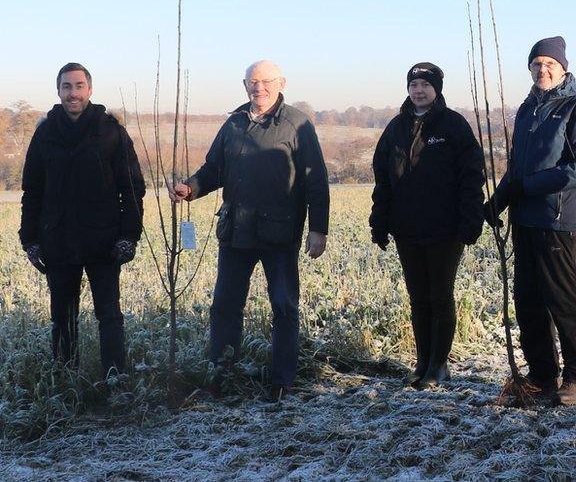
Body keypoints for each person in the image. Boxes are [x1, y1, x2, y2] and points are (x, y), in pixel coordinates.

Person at [170, 60, 330, 402]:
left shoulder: (297, 125)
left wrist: (318, 229)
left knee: (284, 306)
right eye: (252, 82)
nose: (259, 87)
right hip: (235, 232)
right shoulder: (234, 123)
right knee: (224, 307)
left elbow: (315, 180)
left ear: (281, 83)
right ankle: (221, 378)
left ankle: (283, 381)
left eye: (265, 81)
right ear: (245, 86)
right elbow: (214, 168)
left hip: (279, 234)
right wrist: (192, 187)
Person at [486, 36, 576, 406]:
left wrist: (530, 187)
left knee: (567, 301)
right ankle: (541, 375)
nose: (542, 69)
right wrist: (498, 202)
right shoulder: (526, 109)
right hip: (525, 222)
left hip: (558, 221)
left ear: (563, 67)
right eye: (536, 63)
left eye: (549, 63)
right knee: (529, 302)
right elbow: (516, 169)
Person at [20, 62, 146, 379]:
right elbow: (32, 191)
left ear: (89, 89)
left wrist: (128, 237)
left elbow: (132, 189)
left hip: (103, 241)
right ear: (58, 91)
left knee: (109, 315)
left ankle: (115, 380)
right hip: (58, 240)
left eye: (78, 86)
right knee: (63, 317)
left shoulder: (111, 132)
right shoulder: (45, 134)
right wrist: (30, 240)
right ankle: (67, 382)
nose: (73, 93)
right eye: (66, 86)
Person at [369, 62, 485, 389]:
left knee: (439, 295)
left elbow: (471, 175)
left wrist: (470, 218)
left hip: (445, 229)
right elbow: (383, 180)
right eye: (414, 84)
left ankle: (439, 364)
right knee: (418, 297)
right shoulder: (396, 128)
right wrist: (380, 221)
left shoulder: (452, 125)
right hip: (407, 228)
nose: (419, 90)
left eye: (425, 84)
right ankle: (421, 362)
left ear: (437, 89)